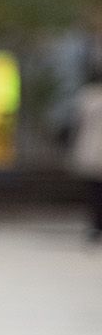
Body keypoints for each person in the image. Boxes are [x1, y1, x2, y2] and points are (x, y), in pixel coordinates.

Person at [71, 67, 102, 242]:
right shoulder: (88, 96)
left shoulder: (87, 97)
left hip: (91, 149)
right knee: (95, 190)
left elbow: (78, 122)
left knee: (94, 191)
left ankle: (96, 225)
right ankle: (96, 225)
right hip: (92, 149)